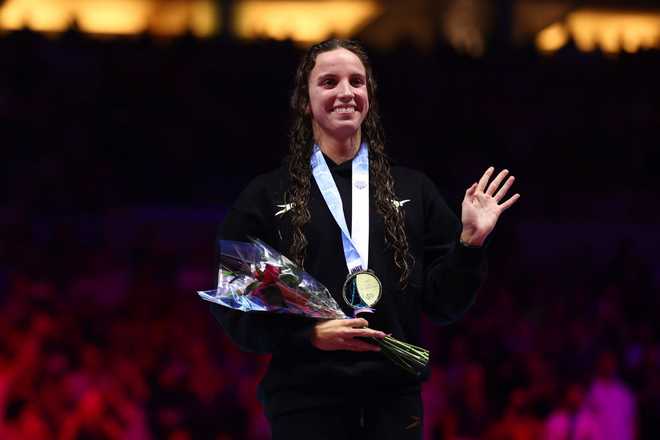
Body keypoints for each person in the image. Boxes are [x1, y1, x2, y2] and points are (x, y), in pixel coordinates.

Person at [210, 38, 519, 439]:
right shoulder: (267, 196)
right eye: (329, 82)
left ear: (368, 97)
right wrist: (308, 336)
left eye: (357, 82)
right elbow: (235, 307)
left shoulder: (415, 191)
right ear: (305, 101)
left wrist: (470, 243)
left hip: (393, 405)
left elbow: (444, 305)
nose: (345, 92)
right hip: (305, 402)